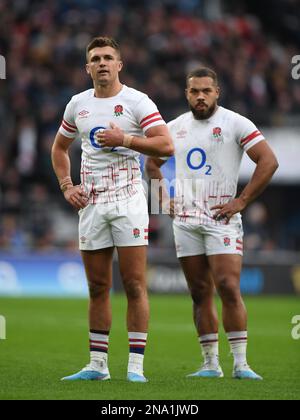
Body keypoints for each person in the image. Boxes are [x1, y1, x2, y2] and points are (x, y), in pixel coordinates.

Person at [51, 36, 174, 383]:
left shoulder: (137, 101)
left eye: (108, 57)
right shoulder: (78, 104)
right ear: (87, 67)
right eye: (95, 58)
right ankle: (97, 366)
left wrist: (127, 140)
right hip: (91, 203)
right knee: (97, 287)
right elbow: (59, 148)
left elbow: (167, 144)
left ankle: (135, 367)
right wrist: (66, 186)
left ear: (119, 65)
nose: (102, 62)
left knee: (134, 285)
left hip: (129, 201)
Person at [146, 67, 278, 380]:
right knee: (199, 292)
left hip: (222, 219)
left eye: (206, 90)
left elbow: (269, 161)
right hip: (186, 222)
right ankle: (209, 364)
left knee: (229, 287)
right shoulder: (174, 127)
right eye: (195, 91)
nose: (201, 96)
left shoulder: (235, 123)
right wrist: (164, 202)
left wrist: (241, 201)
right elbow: (151, 164)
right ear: (186, 94)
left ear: (217, 91)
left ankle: (241, 364)